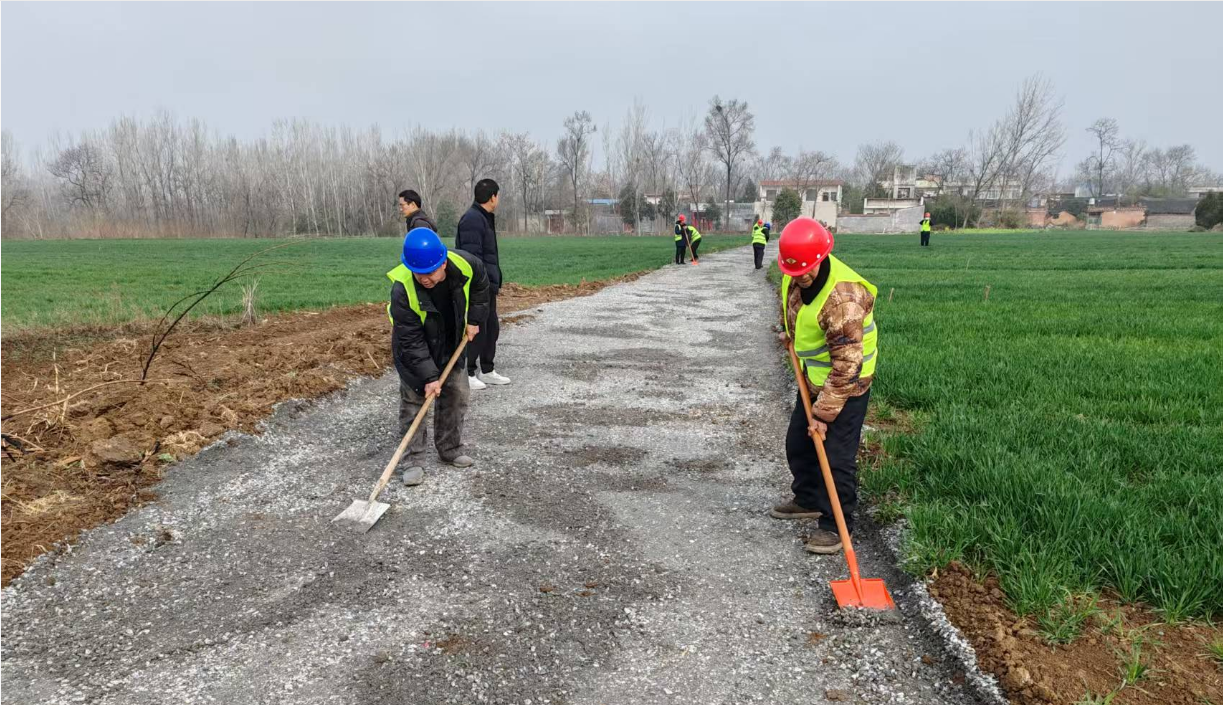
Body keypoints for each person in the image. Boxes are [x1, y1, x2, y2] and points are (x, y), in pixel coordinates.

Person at [772, 217, 879, 555]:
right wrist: (789, 335)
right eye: (794, 272)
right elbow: (797, 312)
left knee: (836, 457)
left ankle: (837, 524)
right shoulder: (794, 276)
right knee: (798, 444)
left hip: (849, 385)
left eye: (807, 270)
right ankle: (807, 500)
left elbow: (847, 367)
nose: (800, 277)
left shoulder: (843, 301)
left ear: (821, 258)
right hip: (815, 379)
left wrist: (823, 415)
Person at [388, 227, 490, 485]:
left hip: (452, 341)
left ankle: (450, 449)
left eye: (431, 272)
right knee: (414, 402)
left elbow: (481, 285)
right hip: (414, 350)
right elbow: (410, 340)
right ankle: (413, 460)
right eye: (418, 273)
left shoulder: (466, 264)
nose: (424, 279)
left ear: (443, 262)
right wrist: (429, 377)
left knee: (456, 395)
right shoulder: (402, 289)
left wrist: (475, 319)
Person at [456, 179, 511, 390]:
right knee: (476, 328)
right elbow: (472, 258)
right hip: (478, 286)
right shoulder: (472, 220)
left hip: (488, 284)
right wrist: (479, 284)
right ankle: (468, 372)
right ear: (493, 197)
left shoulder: (484, 217)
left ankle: (487, 370)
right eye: (498, 195)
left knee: (491, 328)